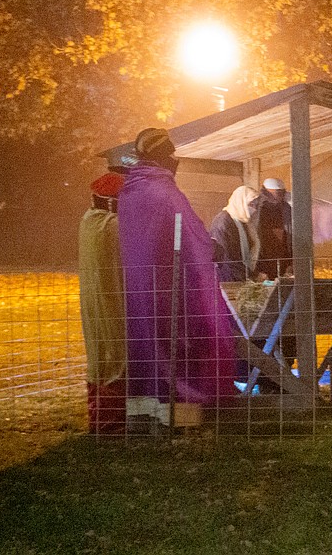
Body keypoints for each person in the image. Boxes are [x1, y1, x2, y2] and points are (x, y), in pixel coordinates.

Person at [118, 128, 239, 414]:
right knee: (188, 337)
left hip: (139, 285)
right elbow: (189, 234)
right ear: (160, 155)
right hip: (171, 282)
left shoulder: (130, 191)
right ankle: (186, 403)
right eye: (170, 153)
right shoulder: (165, 192)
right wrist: (212, 249)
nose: (175, 159)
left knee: (147, 340)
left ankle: (150, 406)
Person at [77, 171, 127, 434]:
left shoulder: (88, 221)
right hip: (111, 301)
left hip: (95, 300)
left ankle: (100, 417)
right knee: (114, 353)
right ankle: (112, 421)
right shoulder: (110, 226)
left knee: (100, 354)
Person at [210, 185, 260, 282]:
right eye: (251, 204)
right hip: (227, 278)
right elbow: (227, 257)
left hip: (241, 277)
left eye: (256, 205)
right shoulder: (224, 221)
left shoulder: (245, 223)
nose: (254, 209)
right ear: (240, 202)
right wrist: (252, 275)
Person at [249, 178, 293, 280]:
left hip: (282, 256)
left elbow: (290, 234)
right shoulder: (256, 207)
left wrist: (291, 261)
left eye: (280, 193)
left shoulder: (286, 208)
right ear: (266, 191)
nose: (277, 196)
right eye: (274, 193)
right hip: (261, 255)